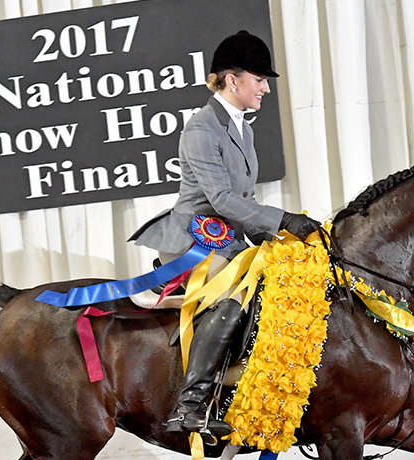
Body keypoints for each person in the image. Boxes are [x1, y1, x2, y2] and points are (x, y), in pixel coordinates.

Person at [131, 30, 321, 438]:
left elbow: (243, 202)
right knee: (234, 296)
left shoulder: (243, 129)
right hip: (195, 238)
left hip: (230, 238)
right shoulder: (201, 129)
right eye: (259, 80)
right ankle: (191, 404)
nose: (266, 89)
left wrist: (282, 235)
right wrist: (282, 219)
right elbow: (220, 199)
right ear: (232, 80)